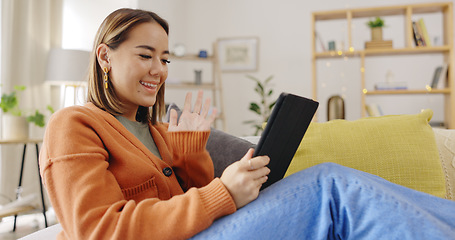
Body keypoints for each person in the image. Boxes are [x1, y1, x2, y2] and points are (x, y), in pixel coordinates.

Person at [39, 8, 455, 240]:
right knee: (329, 185)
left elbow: (188, 204)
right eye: (145, 55)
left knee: (333, 179)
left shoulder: (160, 131)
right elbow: (98, 230)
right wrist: (223, 192)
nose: (159, 69)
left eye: (165, 59)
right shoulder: (73, 124)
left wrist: (191, 160)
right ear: (105, 57)